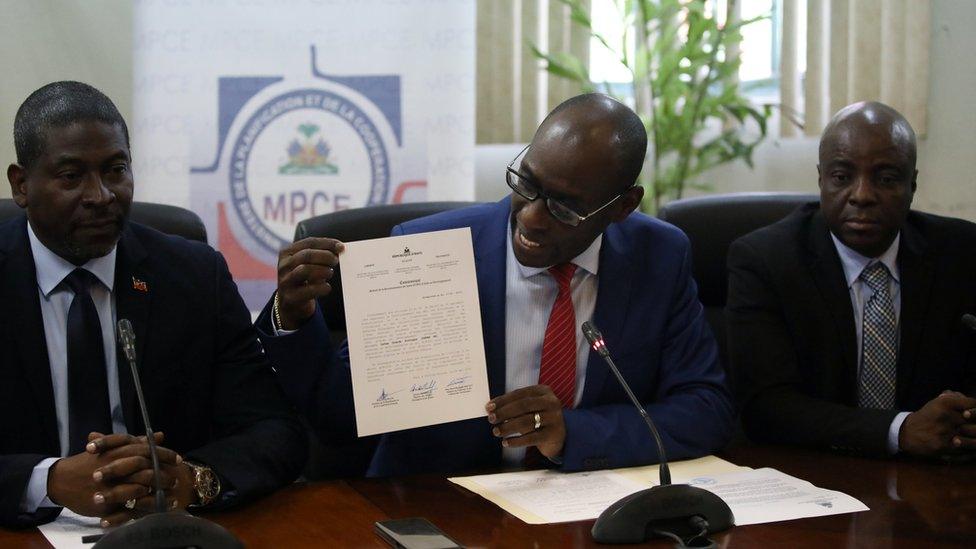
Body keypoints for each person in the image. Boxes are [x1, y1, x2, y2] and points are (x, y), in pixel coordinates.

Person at [257, 93, 734, 476]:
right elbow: (341, 419)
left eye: (564, 207)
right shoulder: (428, 250)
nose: (529, 217)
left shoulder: (659, 257)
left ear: (622, 206)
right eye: (525, 183)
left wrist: (572, 433)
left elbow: (704, 409)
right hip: (441, 508)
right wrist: (295, 318)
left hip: (589, 508)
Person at [0, 81, 307, 528]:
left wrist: (192, 480)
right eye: (71, 176)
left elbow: (276, 431)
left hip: (164, 530)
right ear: (22, 185)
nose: (101, 195)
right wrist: (46, 481)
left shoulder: (194, 276)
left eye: (115, 169)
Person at [727, 101, 976, 458]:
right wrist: (899, 430)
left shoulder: (962, 254)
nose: (862, 196)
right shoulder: (766, 261)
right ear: (821, 179)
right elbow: (765, 407)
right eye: (842, 177)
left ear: (913, 184)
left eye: (886, 179)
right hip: (814, 472)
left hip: (937, 475)